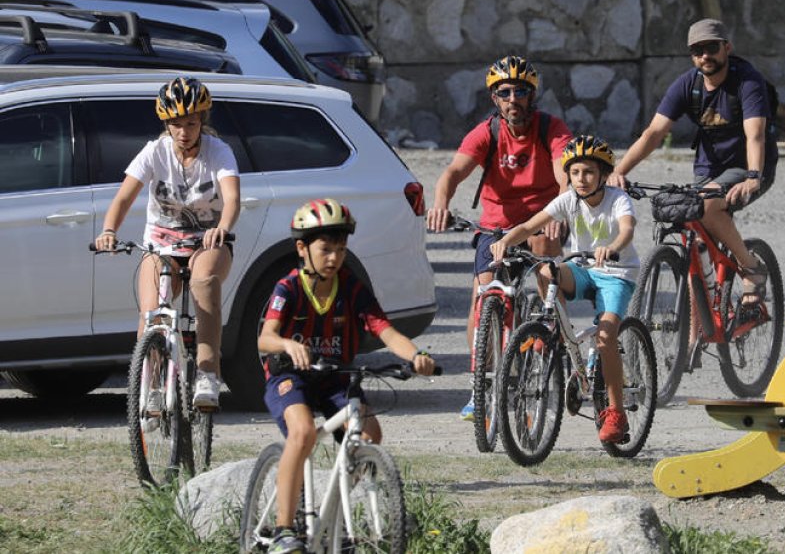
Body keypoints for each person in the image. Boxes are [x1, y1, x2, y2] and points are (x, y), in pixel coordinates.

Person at [257, 198, 437, 554]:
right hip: (290, 377)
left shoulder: (351, 287)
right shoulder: (288, 288)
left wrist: (416, 355)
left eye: (341, 249)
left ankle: (334, 513)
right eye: (325, 249)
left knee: (370, 434)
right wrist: (286, 346)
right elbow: (265, 337)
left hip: (336, 376)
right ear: (302, 248)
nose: (334, 258)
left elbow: (385, 330)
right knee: (304, 432)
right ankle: (282, 529)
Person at [424, 55, 572, 421]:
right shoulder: (487, 132)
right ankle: (481, 387)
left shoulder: (550, 128)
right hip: (496, 228)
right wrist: (441, 203)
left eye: (520, 91)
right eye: (503, 92)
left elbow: (565, 174)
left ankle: (553, 328)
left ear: (532, 95)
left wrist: (559, 213)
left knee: (544, 253)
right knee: (482, 297)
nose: (512, 99)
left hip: (541, 221)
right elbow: (453, 172)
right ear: (494, 99)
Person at [609, 18, 778, 307]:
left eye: (711, 48)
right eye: (697, 51)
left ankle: (751, 268)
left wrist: (752, 177)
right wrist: (618, 171)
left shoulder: (748, 82)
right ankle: (699, 325)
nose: (704, 56)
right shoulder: (688, 84)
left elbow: (756, 134)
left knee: (706, 206)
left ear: (727, 47)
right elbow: (653, 134)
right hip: (708, 169)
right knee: (695, 239)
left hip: (747, 165)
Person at [94, 75, 238, 409]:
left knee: (203, 282)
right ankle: (154, 385)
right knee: (151, 313)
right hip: (161, 246)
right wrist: (109, 230)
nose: (183, 131)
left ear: (202, 120)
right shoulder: (154, 153)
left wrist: (223, 227)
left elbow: (231, 198)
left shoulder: (219, 152)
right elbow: (123, 198)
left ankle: (207, 374)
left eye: (190, 123)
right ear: (166, 124)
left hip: (208, 243)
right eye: (176, 124)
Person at [490, 135, 638, 444]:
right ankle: (553, 327)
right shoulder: (569, 199)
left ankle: (616, 412)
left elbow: (626, 230)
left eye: (588, 173)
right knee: (547, 269)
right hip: (584, 271)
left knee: (606, 335)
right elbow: (531, 225)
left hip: (616, 274)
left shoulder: (618, 199)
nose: (581, 180)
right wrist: (506, 241)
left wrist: (611, 248)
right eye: (574, 173)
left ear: (603, 175)